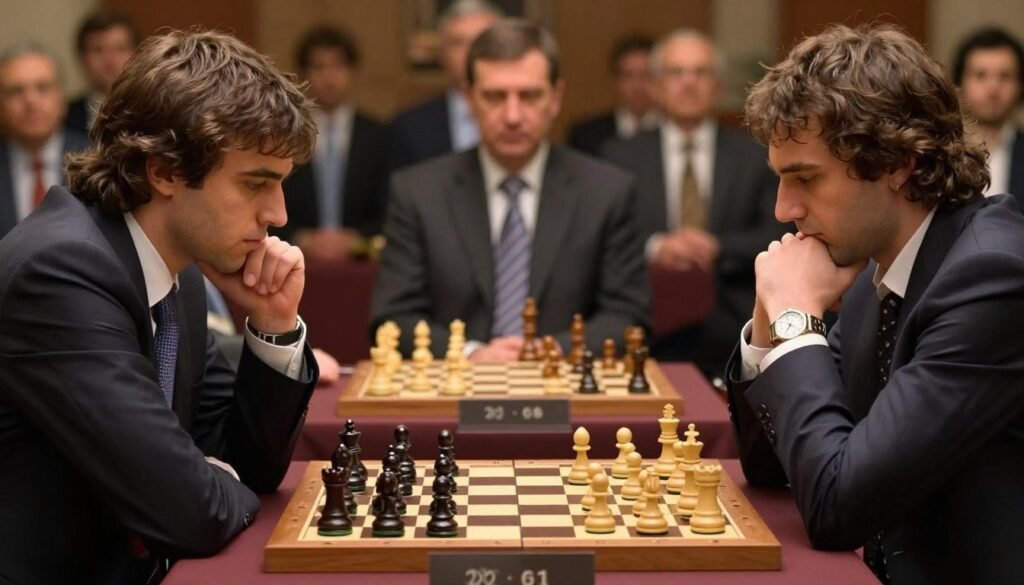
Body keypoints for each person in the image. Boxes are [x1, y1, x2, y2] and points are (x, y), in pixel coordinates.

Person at [0, 30, 320, 584]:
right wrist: (194, 482)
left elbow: (250, 469)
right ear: (165, 171)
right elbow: (191, 512)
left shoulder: (174, 274)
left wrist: (272, 323)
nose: (278, 214)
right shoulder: (60, 273)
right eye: (255, 183)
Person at [727, 24, 1024, 585]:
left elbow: (838, 506)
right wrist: (771, 325)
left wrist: (797, 318)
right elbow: (774, 467)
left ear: (896, 163)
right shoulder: (877, 268)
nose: (783, 209)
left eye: (806, 179)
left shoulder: (993, 278)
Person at [371, 19, 648, 360]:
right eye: (495, 96)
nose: (513, 115)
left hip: (566, 391)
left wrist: (546, 351)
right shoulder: (418, 192)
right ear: (470, 100)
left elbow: (627, 318)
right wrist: (471, 353)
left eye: (529, 96)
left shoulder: (607, 192)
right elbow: (393, 318)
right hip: (453, 394)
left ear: (556, 98)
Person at [601, 29, 783, 377]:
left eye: (700, 73)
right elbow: (603, 237)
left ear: (718, 85)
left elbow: (777, 232)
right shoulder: (619, 156)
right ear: (655, 86)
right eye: (676, 73)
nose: (689, 83)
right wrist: (656, 246)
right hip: (649, 321)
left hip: (736, 322)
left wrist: (717, 247)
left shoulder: (755, 155)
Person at [275, 26, 390, 257]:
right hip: (294, 257)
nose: (328, 77)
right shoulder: (283, 134)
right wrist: (301, 237)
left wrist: (357, 238)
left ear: (352, 72)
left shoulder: (377, 135)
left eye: (338, 66)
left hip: (362, 262)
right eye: (319, 67)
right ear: (303, 74)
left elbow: (390, 207)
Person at [388, 0, 501, 170]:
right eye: (459, 42)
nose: (471, 51)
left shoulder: (522, 117)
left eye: (481, 41)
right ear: (442, 54)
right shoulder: (409, 128)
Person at [0, 43, 89, 238]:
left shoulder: (97, 159)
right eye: (16, 91)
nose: (31, 101)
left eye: (43, 88)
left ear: (62, 99)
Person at [953, 26, 1024, 203]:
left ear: (1020, 85)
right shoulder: (941, 153)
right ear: (959, 83)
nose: (993, 88)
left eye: (1005, 76)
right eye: (981, 75)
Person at [567, 34, 659, 156]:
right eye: (628, 75)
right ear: (616, 81)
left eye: (646, 75)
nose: (638, 86)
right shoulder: (586, 136)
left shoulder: (673, 132)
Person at [65, 10, 139, 134]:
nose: (109, 59)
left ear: (137, 55)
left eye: (119, 48)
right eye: (98, 50)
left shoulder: (154, 112)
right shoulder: (63, 116)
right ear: (82, 58)